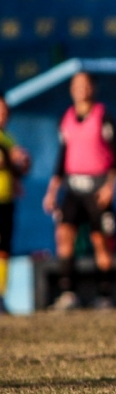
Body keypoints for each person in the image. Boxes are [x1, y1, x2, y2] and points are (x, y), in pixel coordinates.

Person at [42, 72, 116, 310]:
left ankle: (104, 294)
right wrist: (52, 190)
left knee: (100, 240)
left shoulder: (104, 116)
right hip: (73, 188)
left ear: (92, 88)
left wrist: (110, 186)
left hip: (97, 187)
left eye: (85, 85)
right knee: (64, 235)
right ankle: (68, 294)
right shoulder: (66, 119)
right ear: (71, 90)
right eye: (77, 85)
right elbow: (62, 157)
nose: (81, 89)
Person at [0, 96, 31, 314]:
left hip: (6, 201)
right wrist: (11, 159)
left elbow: (15, 168)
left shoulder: (8, 139)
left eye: (4, 111)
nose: (2, 114)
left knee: (3, 252)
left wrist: (23, 166)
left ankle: (0, 296)